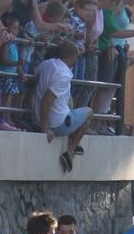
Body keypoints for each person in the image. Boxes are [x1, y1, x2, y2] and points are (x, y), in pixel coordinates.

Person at [37, 40, 93, 173]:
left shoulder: (47, 64)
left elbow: (35, 77)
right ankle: (70, 150)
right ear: (72, 57)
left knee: (70, 102)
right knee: (89, 112)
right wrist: (45, 129)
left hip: (44, 117)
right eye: (77, 57)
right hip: (57, 124)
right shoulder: (63, 75)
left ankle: (73, 138)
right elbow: (47, 99)